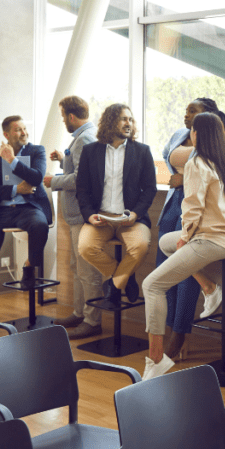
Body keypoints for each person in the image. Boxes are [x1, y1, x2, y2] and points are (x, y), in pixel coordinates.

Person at [141, 112, 225, 380]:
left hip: (213, 238)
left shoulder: (197, 162)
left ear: (197, 135)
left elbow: (192, 208)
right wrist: (182, 239)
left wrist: (185, 238)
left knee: (152, 285)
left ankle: (156, 359)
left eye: (192, 130)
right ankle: (209, 287)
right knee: (167, 243)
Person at [154, 97, 225, 363]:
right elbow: (167, 157)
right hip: (174, 203)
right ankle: (171, 333)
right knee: (165, 271)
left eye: (193, 111)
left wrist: (183, 178)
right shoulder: (179, 134)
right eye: (186, 110)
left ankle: (179, 334)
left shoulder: (218, 139)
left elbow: (221, 170)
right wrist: (178, 179)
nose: (186, 115)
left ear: (208, 116)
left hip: (199, 208)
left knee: (185, 271)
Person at [0, 115, 53, 338]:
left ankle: (29, 265)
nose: (24, 132)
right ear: (6, 135)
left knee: (40, 225)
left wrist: (13, 162)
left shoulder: (37, 151)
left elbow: (36, 178)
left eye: (25, 128)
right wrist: (16, 190)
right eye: (18, 129)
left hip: (29, 208)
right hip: (1, 212)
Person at [76, 104, 157, 307]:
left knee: (140, 246)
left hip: (129, 217)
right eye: (123, 119)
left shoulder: (142, 151)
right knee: (85, 247)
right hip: (100, 216)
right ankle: (125, 277)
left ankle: (113, 283)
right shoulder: (90, 151)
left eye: (130, 119)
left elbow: (149, 189)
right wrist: (89, 215)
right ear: (110, 121)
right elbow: (82, 189)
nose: (128, 123)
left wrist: (136, 214)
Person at [43, 96, 104, 340]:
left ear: (70, 116)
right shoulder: (82, 137)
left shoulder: (85, 138)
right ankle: (79, 313)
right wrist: (63, 160)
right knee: (76, 267)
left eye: (62, 117)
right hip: (76, 214)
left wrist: (53, 181)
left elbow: (82, 178)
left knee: (87, 270)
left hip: (82, 213)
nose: (63, 121)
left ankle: (92, 320)